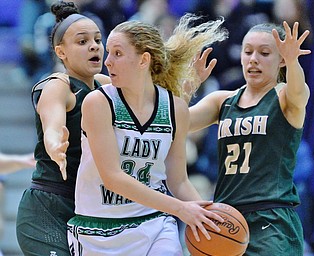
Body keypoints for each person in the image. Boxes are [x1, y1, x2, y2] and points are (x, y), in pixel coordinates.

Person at [67, 14, 228, 255]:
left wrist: (206, 216)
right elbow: (113, 177)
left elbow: (179, 181)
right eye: (108, 52)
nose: (107, 61)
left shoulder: (175, 109)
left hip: (154, 223)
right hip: (98, 229)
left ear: (143, 60)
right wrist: (180, 209)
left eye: (117, 54)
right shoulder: (98, 102)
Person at [187, 21, 311, 255]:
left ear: (281, 59)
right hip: (227, 217)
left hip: (271, 218)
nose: (254, 59)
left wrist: (294, 61)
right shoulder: (222, 101)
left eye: (264, 53)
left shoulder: (284, 97)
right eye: (248, 52)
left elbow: (299, 90)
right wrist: (189, 86)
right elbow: (178, 123)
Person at [15, 1, 110, 255]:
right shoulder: (58, 85)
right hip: (47, 208)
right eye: (82, 42)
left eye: (98, 40)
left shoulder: (105, 86)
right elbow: (53, 124)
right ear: (61, 52)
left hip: (88, 210)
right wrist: (55, 143)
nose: (94, 46)